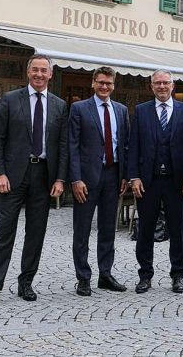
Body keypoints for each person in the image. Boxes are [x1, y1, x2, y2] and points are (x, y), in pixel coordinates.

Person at [0, 54, 68, 309]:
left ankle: (26, 282)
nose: (39, 74)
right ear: (28, 73)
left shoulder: (60, 105)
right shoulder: (10, 99)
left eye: (44, 70)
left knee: (36, 233)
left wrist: (60, 178)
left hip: (44, 176)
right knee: (4, 232)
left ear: (50, 74)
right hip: (13, 176)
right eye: (35, 70)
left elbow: (63, 146)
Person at [127, 69, 183, 294]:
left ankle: (178, 275)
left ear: (173, 85)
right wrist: (134, 177)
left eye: (166, 82)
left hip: (177, 181)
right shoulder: (141, 111)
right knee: (145, 230)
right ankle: (145, 275)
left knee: (177, 230)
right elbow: (133, 145)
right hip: (148, 181)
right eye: (158, 83)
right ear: (151, 86)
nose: (162, 86)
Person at [68, 66, 129, 296]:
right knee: (82, 230)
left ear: (114, 85)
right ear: (93, 83)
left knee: (108, 229)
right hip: (86, 178)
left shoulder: (121, 110)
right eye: (101, 82)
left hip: (113, 175)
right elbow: (72, 145)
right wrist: (76, 178)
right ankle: (83, 277)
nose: (104, 86)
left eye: (109, 83)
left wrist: (125, 175)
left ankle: (105, 274)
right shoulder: (79, 108)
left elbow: (125, 145)